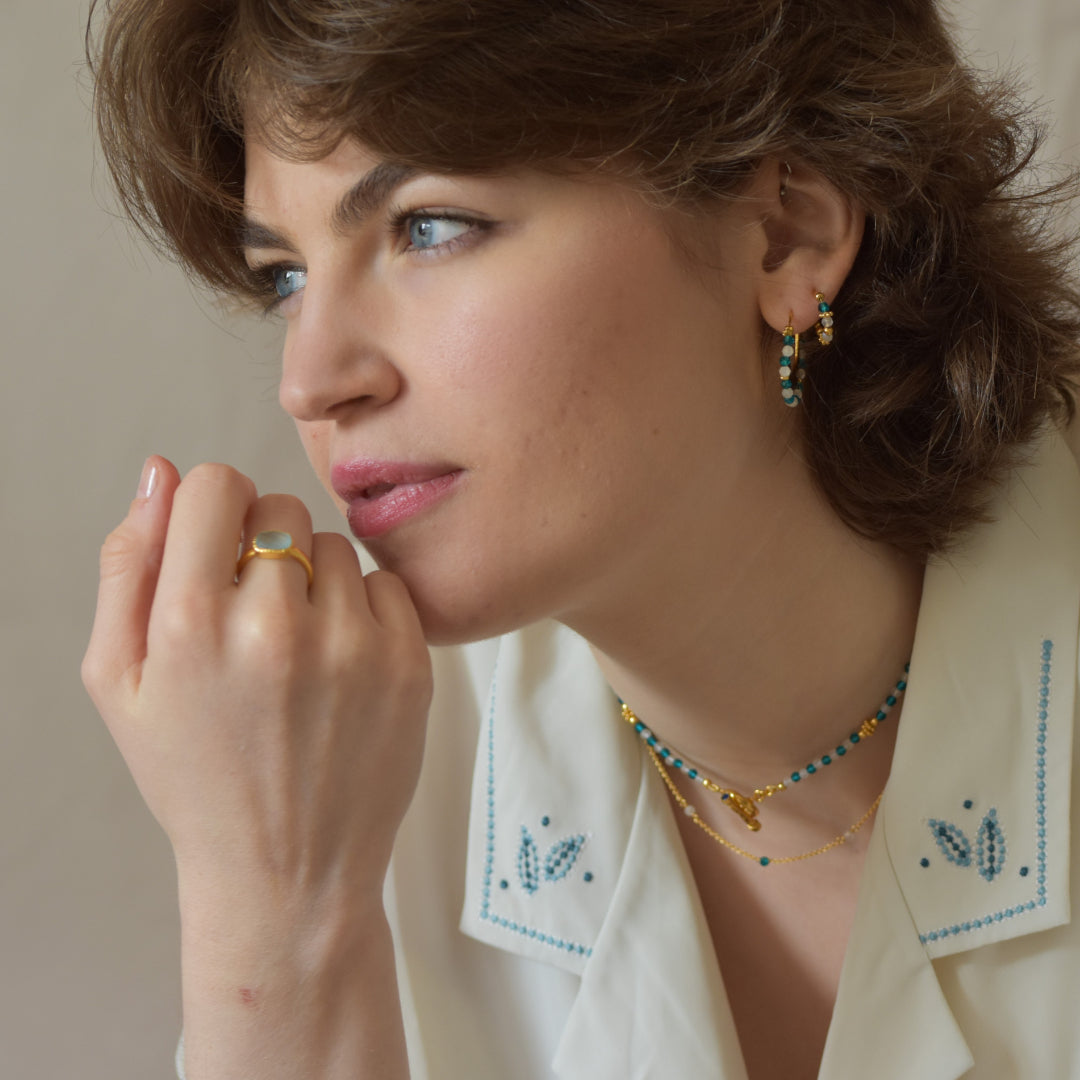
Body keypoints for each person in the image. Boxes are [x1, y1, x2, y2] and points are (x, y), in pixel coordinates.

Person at [82, 1, 1080, 1077]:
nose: (311, 381)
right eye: (286, 276)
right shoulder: (314, 759)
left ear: (786, 233)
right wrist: (277, 916)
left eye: (429, 227)